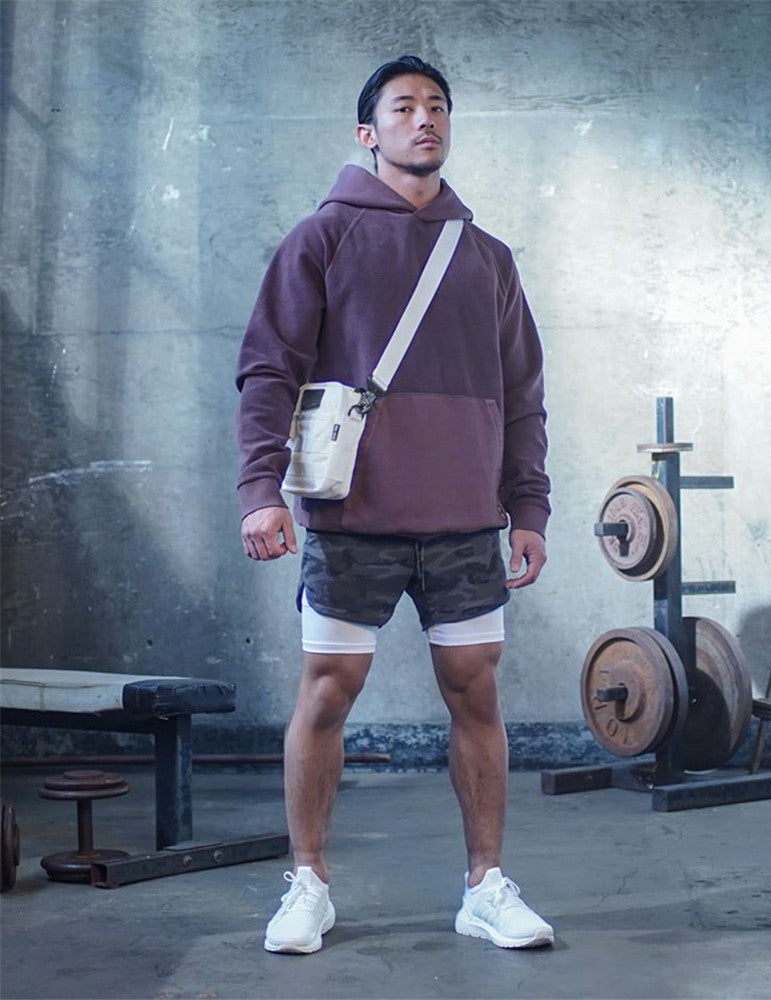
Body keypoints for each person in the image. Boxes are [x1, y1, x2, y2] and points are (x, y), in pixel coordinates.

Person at [236, 55, 553, 954]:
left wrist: (528, 507)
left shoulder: (487, 257)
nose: (426, 119)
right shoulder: (320, 239)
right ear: (367, 133)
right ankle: (308, 885)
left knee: (477, 695)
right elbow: (268, 371)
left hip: (464, 521)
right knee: (326, 695)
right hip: (353, 519)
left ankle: (485, 888)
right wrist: (261, 490)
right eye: (404, 107)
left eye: (438, 106)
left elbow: (524, 395)